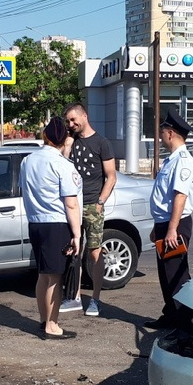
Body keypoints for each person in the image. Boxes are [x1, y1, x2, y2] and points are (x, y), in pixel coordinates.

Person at [20, 117, 82, 339]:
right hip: (56, 224)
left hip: (35, 223)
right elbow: (71, 203)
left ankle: (44, 319)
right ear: (63, 139)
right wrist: (77, 234)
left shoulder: (27, 161)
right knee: (55, 277)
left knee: (43, 275)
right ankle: (52, 325)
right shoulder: (62, 165)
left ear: (45, 136)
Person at [146, 111, 193, 331]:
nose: (160, 138)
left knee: (176, 275)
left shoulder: (183, 162)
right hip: (165, 224)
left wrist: (172, 229)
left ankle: (185, 323)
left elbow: (180, 196)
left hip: (175, 225)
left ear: (170, 133)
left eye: (162, 134)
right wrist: (158, 227)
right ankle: (171, 316)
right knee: (165, 274)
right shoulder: (172, 160)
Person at [63, 102, 116, 317]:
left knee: (94, 252)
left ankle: (95, 299)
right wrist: (66, 147)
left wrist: (100, 202)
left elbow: (111, 176)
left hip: (93, 204)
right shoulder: (70, 141)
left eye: (74, 119)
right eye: (68, 121)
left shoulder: (102, 143)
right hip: (72, 205)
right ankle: (74, 297)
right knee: (74, 250)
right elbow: (61, 168)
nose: (71, 124)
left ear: (84, 116)